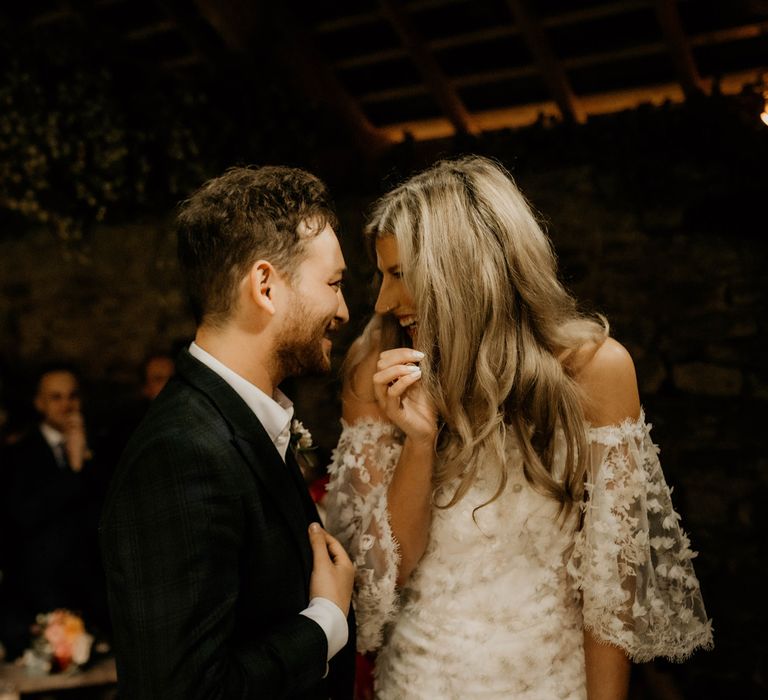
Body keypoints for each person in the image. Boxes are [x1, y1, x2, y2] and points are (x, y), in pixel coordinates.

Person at [325, 156, 713, 699]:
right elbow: (384, 580)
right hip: (421, 680)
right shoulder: (379, 366)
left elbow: (611, 589)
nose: (384, 301)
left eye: (397, 275)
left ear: (458, 272)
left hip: (551, 682)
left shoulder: (598, 372)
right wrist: (418, 442)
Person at [99, 166, 356, 699]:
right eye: (333, 283)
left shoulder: (240, 419)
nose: (344, 310)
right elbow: (182, 691)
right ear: (265, 286)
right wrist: (326, 622)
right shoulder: (181, 452)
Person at [0, 364, 104, 658]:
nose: (66, 405)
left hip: (93, 595)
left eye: (72, 396)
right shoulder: (16, 456)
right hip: (40, 595)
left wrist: (85, 458)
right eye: (56, 397)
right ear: (40, 403)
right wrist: (72, 469)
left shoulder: (101, 447)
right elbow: (22, 517)